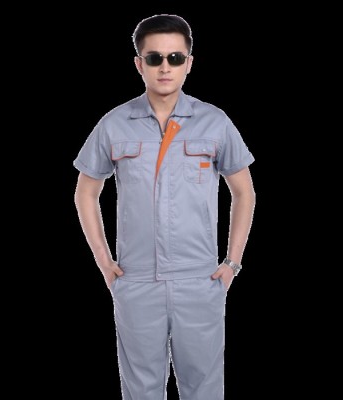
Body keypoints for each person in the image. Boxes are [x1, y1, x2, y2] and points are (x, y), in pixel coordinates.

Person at [73, 13, 256, 400]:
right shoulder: (114, 124)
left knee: (204, 391)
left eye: (175, 58)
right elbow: (85, 192)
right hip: (137, 280)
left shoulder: (214, 122)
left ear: (189, 62)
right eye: (154, 58)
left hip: (200, 281)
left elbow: (244, 192)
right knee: (140, 391)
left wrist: (232, 262)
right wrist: (104, 262)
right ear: (139, 63)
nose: (165, 67)